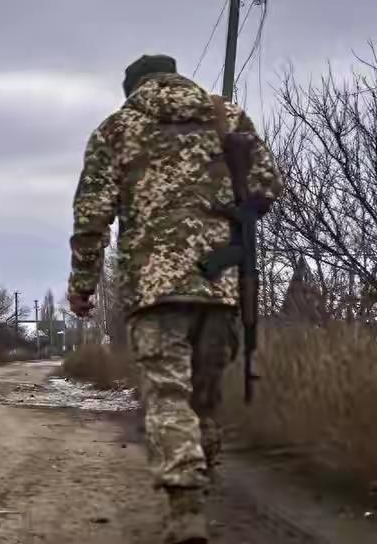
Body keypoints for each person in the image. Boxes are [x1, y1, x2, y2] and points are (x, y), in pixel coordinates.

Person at [66, 55, 282, 544]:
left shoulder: (117, 128)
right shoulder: (226, 115)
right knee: (203, 398)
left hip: (154, 288)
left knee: (168, 395)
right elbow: (267, 188)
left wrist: (82, 283)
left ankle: (186, 508)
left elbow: (92, 215)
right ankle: (203, 476)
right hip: (223, 285)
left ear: (132, 89)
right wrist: (225, 214)